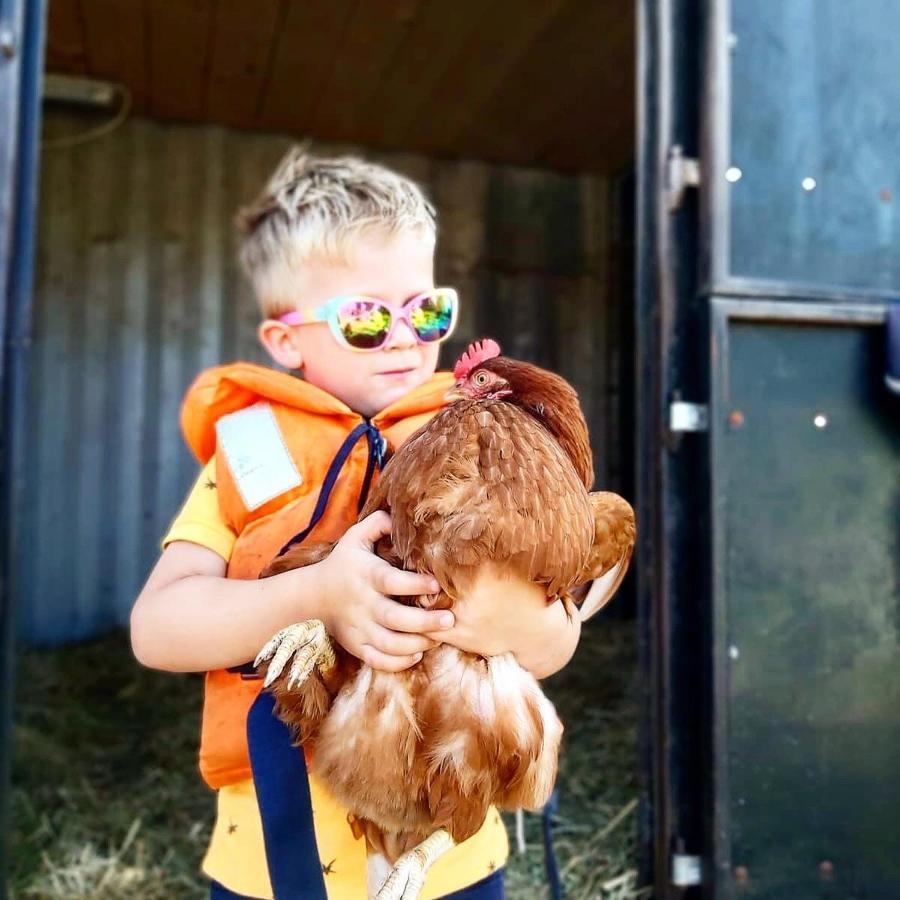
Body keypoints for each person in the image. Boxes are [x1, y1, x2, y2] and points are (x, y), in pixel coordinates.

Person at [130, 149, 582, 900]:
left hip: (450, 844)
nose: (407, 337)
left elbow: (555, 643)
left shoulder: (491, 448)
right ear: (285, 341)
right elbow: (158, 629)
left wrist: (487, 618)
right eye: (367, 319)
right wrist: (318, 597)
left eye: (427, 310)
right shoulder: (246, 455)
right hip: (279, 850)